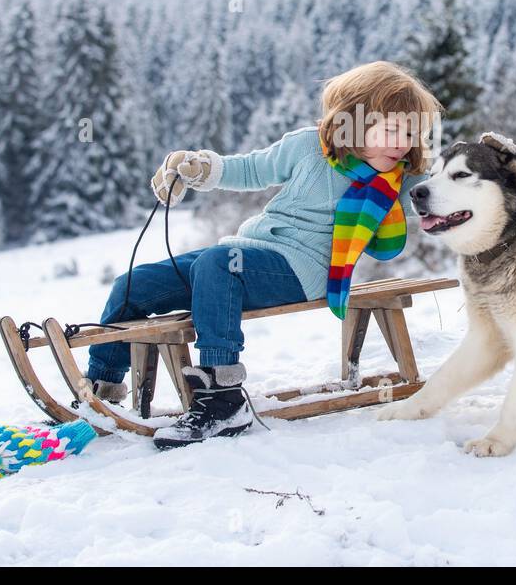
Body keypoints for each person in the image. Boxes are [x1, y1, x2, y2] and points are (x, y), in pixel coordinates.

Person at [82, 60, 445, 448]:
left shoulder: (403, 179)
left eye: (410, 132)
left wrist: (496, 173)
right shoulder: (308, 146)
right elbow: (253, 169)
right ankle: (100, 390)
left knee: (217, 265)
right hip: (246, 254)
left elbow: (453, 192)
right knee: (133, 284)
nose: (401, 143)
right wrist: (198, 168)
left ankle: (223, 398)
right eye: (391, 130)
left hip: (302, 271)